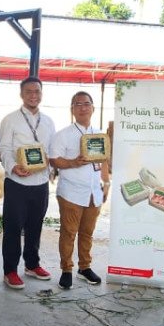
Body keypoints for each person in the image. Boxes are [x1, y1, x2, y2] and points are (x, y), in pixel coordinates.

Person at [0, 77, 56, 289]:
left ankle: (32, 264)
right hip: (16, 183)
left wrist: (49, 171)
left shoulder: (48, 121)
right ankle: (10, 271)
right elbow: (3, 149)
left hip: (40, 183)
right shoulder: (10, 119)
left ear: (41, 94)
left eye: (37, 91)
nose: (34, 95)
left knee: (35, 226)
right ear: (21, 94)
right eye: (29, 91)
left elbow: (51, 151)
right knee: (12, 228)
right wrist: (13, 167)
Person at [48, 91, 109, 289]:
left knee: (87, 233)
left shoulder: (99, 134)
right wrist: (74, 162)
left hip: (94, 192)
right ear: (72, 109)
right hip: (71, 192)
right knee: (68, 233)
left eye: (86, 103)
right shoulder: (63, 135)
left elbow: (104, 160)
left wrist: (106, 183)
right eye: (78, 104)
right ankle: (66, 269)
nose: (83, 107)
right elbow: (54, 159)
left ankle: (84, 267)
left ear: (93, 108)